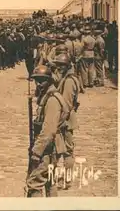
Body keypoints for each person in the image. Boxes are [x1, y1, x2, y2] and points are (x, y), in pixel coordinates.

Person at [26, 65, 71, 197]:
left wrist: (36, 151)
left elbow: (49, 131)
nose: (39, 84)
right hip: (51, 146)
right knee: (50, 182)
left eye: (42, 80)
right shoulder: (48, 96)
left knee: (34, 182)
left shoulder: (52, 100)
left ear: (50, 80)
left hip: (48, 148)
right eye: (37, 80)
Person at [53, 53, 80, 189]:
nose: (59, 67)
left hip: (66, 120)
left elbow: (67, 105)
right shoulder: (66, 77)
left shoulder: (69, 81)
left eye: (61, 65)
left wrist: (58, 122)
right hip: (66, 119)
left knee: (67, 151)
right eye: (58, 65)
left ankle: (67, 179)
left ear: (67, 65)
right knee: (61, 149)